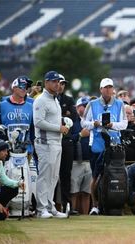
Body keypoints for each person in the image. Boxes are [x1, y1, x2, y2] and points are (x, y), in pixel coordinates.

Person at [82, 78, 128, 215]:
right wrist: (94, 125)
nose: (108, 90)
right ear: (101, 89)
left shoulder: (119, 104)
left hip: (114, 145)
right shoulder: (92, 104)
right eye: (105, 87)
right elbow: (83, 122)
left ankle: (111, 203)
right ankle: (95, 206)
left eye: (110, 87)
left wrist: (112, 125)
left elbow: (124, 123)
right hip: (97, 144)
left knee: (114, 175)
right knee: (96, 177)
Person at [33, 71, 69, 219]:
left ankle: (50, 206)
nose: (57, 84)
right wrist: (59, 128)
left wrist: (63, 124)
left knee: (53, 177)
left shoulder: (55, 99)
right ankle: (41, 209)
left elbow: (52, 120)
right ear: (46, 82)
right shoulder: (41, 100)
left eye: (58, 82)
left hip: (56, 142)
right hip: (45, 143)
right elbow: (38, 122)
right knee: (44, 176)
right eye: (54, 81)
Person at [57, 74, 78, 214]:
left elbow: (74, 117)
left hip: (66, 140)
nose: (61, 86)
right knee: (50, 174)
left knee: (66, 173)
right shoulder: (46, 99)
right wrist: (65, 114)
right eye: (59, 83)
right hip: (51, 140)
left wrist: (62, 117)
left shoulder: (68, 99)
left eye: (63, 83)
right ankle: (48, 204)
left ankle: (66, 204)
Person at [0, 136, 25, 220]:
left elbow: (4, 179)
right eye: (3, 151)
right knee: (1, 216)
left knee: (13, 188)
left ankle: (0, 209)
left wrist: (18, 184)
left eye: (6, 151)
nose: (6, 153)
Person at [70, 96, 92, 215]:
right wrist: (79, 135)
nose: (87, 109)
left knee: (86, 192)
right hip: (76, 161)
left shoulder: (93, 123)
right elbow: (67, 140)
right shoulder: (72, 123)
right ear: (78, 108)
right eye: (84, 106)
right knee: (74, 191)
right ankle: (73, 212)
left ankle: (85, 216)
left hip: (90, 161)